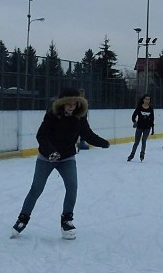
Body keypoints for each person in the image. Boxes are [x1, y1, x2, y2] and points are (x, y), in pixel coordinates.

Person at [11, 88, 109, 240]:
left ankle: (67, 220)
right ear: (62, 104)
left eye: (74, 103)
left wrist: (102, 143)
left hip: (67, 157)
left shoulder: (79, 117)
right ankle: (22, 219)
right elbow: (41, 135)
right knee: (36, 188)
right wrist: (51, 152)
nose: (71, 106)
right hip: (47, 157)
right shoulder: (52, 115)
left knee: (72, 187)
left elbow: (87, 134)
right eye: (68, 103)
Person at [128, 94, 154, 161]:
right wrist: (134, 122)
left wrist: (151, 127)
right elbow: (133, 116)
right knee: (136, 142)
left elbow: (152, 119)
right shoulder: (139, 107)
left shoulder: (151, 109)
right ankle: (132, 154)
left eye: (148, 99)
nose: (147, 100)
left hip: (147, 128)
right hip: (139, 127)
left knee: (144, 141)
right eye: (146, 99)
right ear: (143, 99)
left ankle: (142, 154)